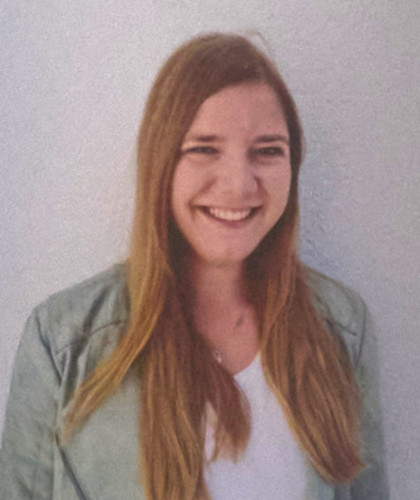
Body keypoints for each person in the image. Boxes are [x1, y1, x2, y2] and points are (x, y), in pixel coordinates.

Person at [0, 33, 388, 499]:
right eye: (204, 148)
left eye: (267, 150)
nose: (238, 184)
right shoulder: (62, 342)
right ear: (160, 162)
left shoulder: (343, 328)